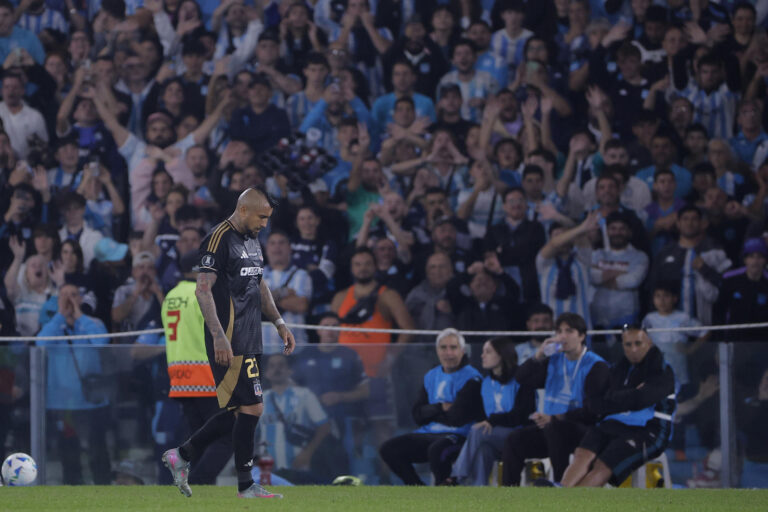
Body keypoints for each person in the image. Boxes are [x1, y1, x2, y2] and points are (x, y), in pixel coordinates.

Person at [162, 187, 296, 499]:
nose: (265, 223)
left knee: (244, 410)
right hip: (230, 338)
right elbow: (202, 289)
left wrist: (278, 321)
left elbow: (258, 282)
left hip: (252, 336)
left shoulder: (253, 238)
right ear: (244, 210)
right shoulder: (218, 237)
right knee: (253, 408)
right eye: (261, 216)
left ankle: (182, 455)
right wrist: (219, 336)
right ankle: (245, 485)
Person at [558, 325, 676, 487]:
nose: (633, 349)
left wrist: (617, 397)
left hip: (650, 430)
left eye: (638, 343)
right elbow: (599, 402)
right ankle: (560, 493)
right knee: (583, 453)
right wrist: (630, 393)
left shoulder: (662, 370)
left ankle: (572, 504)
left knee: (604, 463)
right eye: (628, 344)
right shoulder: (619, 369)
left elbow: (640, 400)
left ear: (649, 343)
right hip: (615, 424)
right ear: (622, 346)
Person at [501, 313, 609, 486]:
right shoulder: (553, 360)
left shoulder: (596, 365)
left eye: (569, 331)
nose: (562, 336)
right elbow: (521, 378)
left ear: (581, 336)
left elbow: (593, 411)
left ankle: (560, 484)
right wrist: (538, 355)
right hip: (552, 429)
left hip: (584, 432)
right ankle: (508, 494)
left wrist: (557, 417)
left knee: (555, 428)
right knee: (515, 439)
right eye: (559, 331)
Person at [379, 328, 483, 485]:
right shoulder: (431, 375)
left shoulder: (473, 378)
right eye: (443, 347)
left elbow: (457, 418)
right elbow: (417, 415)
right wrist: (441, 407)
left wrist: (431, 412)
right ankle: (419, 491)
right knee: (388, 449)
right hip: (429, 433)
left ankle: (444, 492)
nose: (448, 353)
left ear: (462, 350)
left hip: (459, 436)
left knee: (437, 449)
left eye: (453, 348)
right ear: (437, 350)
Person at [161, 251, 231, 485]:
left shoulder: (170, 296)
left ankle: (195, 486)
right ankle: (201, 480)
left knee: (198, 437)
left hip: (180, 379)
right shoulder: (201, 295)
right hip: (206, 378)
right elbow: (220, 333)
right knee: (228, 435)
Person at [37, 281, 111, 484]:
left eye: (74, 295)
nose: (70, 299)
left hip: (92, 401)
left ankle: (104, 489)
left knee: (98, 448)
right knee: (69, 450)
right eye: (65, 295)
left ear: (80, 299)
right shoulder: (52, 326)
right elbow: (40, 344)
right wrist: (60, 315)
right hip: (64, 404)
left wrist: (80, 316)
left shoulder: (93, 323)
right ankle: (72, 488)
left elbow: (101, 342)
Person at [449, 338, 536, 486]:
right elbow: (483, 416)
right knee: (483, 450)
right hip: (494, 437)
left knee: (477, 432)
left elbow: (521, 416)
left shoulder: (521, 379)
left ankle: (456, 477)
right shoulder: (485, 383)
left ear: (502, 355)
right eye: (483, 352)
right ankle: (479, 495)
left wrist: (493, 420)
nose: (482, 356)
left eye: (488, 352)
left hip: (519, 434)